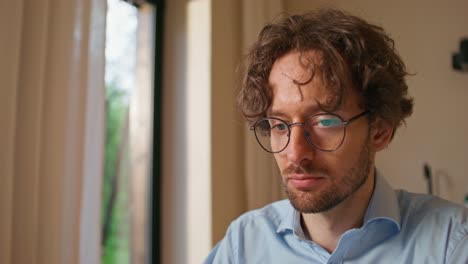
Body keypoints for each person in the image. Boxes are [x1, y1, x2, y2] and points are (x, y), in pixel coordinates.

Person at [205, 8, 468, 264]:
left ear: (380, 130)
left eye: (325, 122)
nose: (295, 154)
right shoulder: (243, 244)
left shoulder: (451, 242)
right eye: (280, 125)